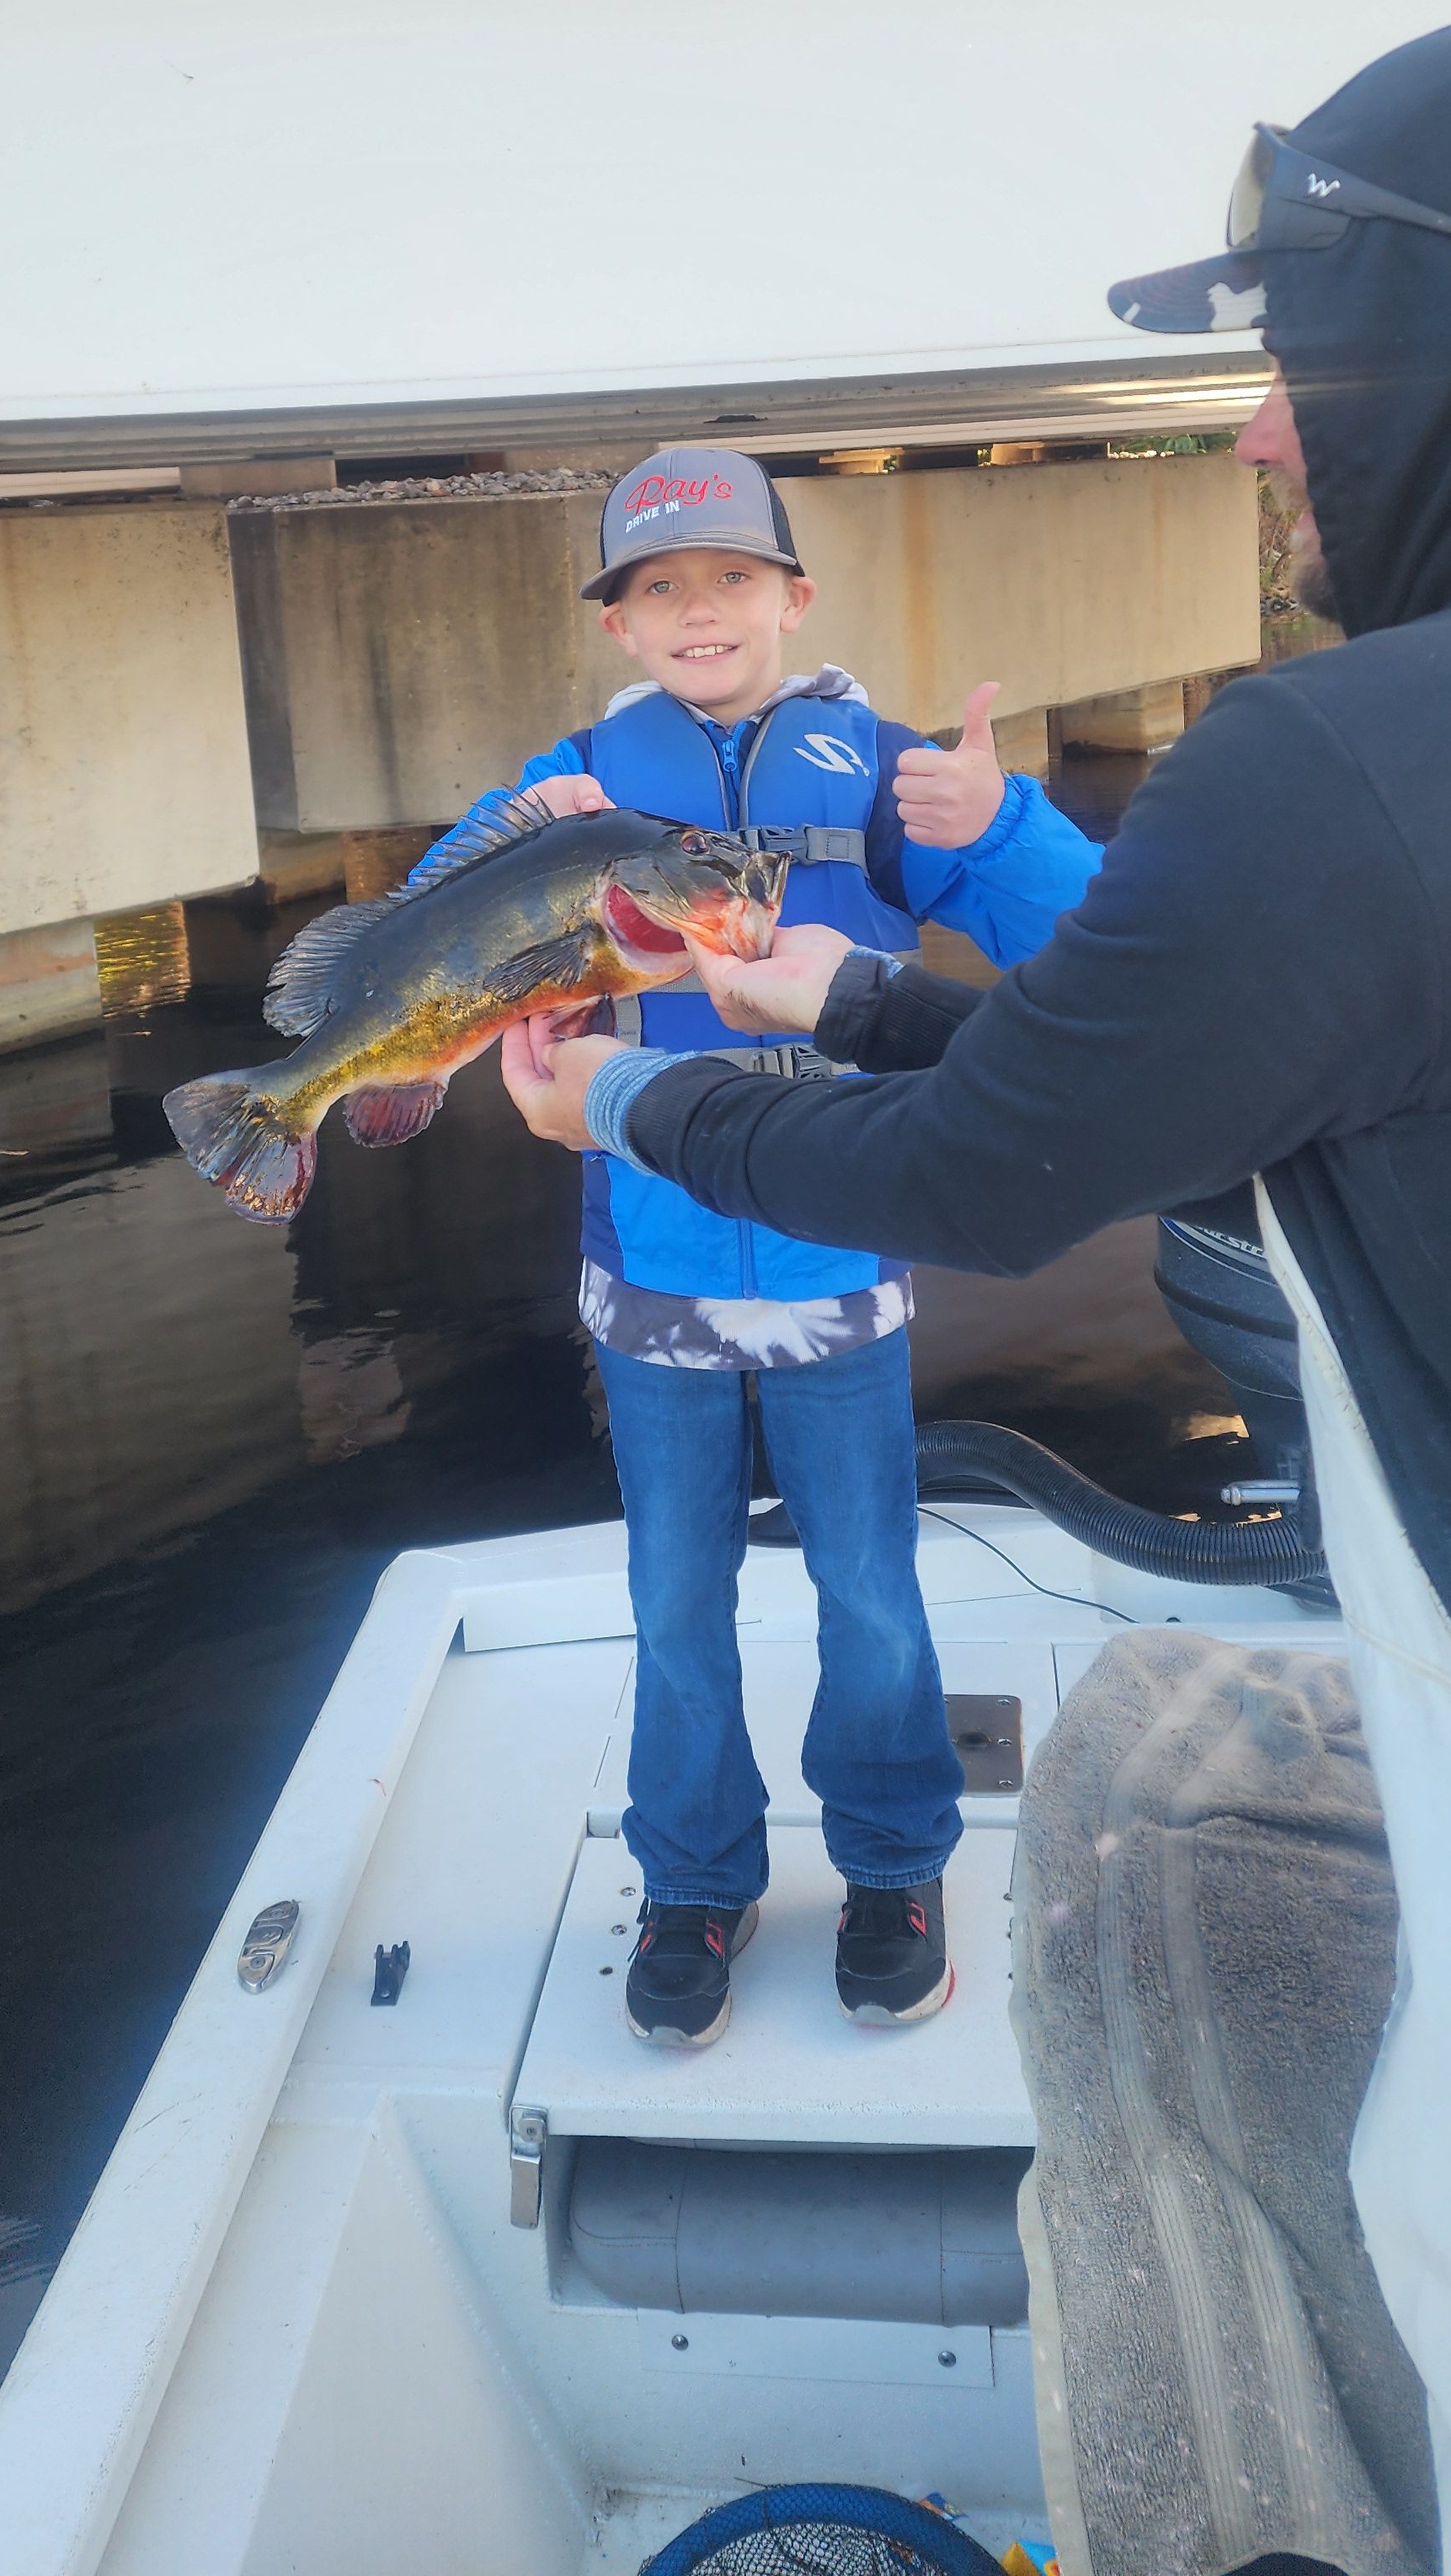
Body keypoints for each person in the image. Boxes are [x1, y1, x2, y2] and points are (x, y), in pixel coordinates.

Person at [504, 0, 1451, 2570]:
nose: (1266, 427)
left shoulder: (1369, 751)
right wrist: (843, 993)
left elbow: (995, 1172)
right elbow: (1198, 1060)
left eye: (1304, 356)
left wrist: (629, 1094)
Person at [412, 443, 1098, 2044]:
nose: (699, 610)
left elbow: (1099, 963)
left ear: (796, 595)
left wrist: (1001, 825)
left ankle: (890, 1865)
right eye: (660, 588)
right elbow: (425, 931)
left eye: (730, 577)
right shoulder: (575, 775)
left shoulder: (878, 773)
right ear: (618, 626)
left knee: (867, 1587)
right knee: (674, 1593)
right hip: (648, 1271)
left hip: (838, 1265)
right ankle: (697, 1881)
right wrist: (513, 833)